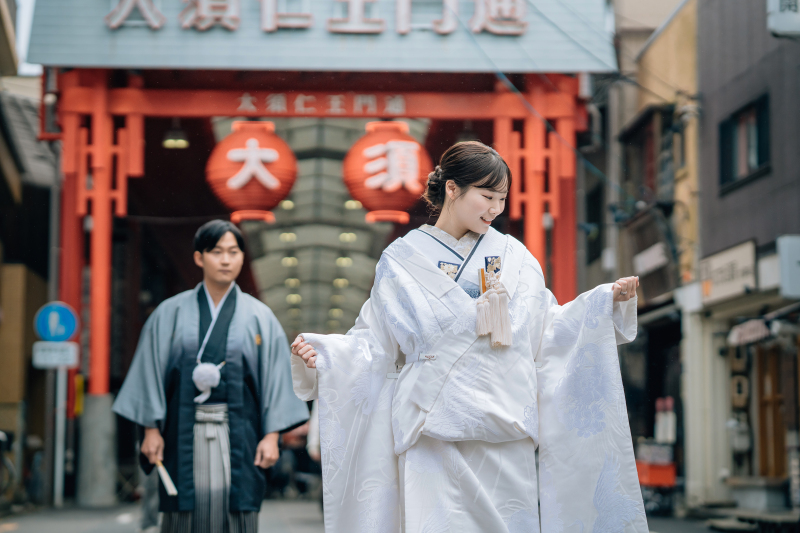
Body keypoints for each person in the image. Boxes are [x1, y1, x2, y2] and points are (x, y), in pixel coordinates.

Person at [291, 141, 647, 532]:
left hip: (504, 426)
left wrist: (601, 303)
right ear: (453, 189)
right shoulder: (401, 259)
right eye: (487, 195)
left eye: (502, 198)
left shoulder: (516, 257)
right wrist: (324, 356)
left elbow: (548, 329)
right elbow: (373, 343)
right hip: (431, 428)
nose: (495, 208)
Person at [114, 220, 309, 533]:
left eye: (233, 252)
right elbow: (149, 371)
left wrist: (272, 437)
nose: (226, 259)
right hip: (181, 432)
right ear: (199, 257)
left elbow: (275, 379)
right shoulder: (170, 312)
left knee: (238, 511)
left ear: (243, 258)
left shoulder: (260, 316)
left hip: (240, 434)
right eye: (216, 251)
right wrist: (150, 429)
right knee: (182, 511)